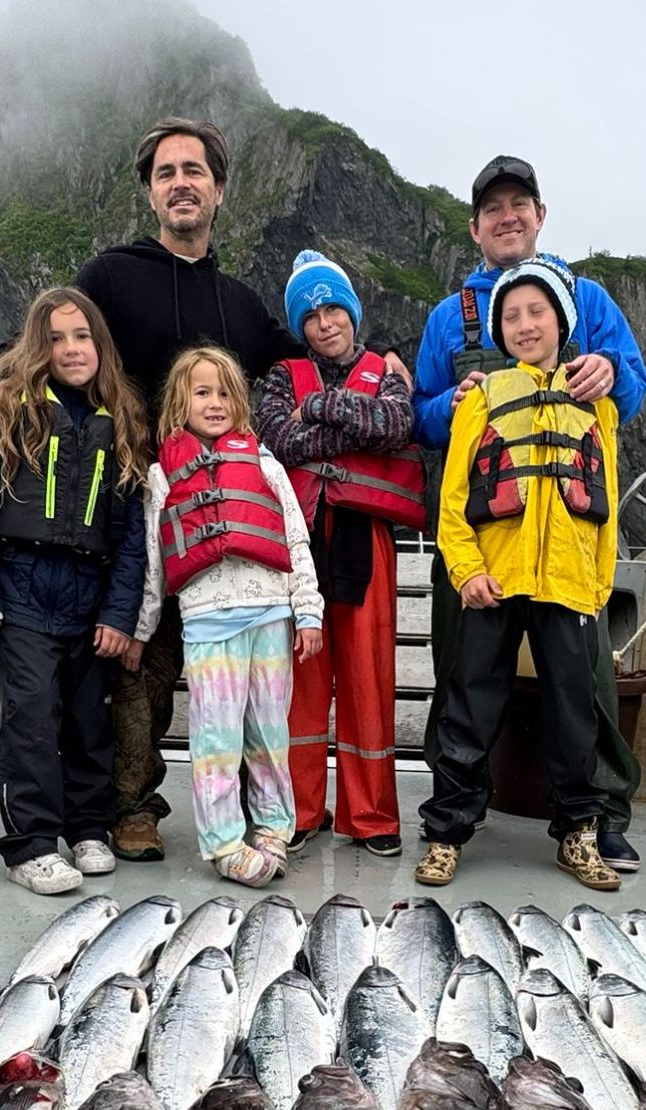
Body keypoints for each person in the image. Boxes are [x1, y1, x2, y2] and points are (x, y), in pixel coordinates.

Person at [0, 118, 304, 866]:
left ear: (218, 188)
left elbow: (303, 357)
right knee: (136, 668)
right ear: (151, 193)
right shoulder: (112, 277)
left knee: (232, 677)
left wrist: (392, 367)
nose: (181, 182)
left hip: (221, 524)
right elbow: (46, 337)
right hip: (134, 507)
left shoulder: (240, 303)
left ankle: (249, 814)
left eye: (194, 170)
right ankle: (130, 808)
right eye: (166, 172)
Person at [411, 155, 646, 873]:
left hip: (568, 553)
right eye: (493, 209)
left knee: (585, 691)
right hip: (483, 546)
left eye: (521, 204)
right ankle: (452, 814)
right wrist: (448, 407)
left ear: (540, 216)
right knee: (463, 677)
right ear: (476, 227)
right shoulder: (446, 317)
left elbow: (628, 393)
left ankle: (599, 816)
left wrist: (613, 373)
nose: (507, 216)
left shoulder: (592, 300)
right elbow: (420, 416)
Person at [0, 288, 149, 895]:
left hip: (91, 594)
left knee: (91, 718)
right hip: (23, 591)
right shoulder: (4, 410)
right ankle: (30, 844)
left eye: (82, 336)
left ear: (100, 344)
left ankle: (88, 827)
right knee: (31, 715)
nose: (71, 349)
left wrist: (120, 612)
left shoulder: (124, 424)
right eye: (56, 339)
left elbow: (133, 533)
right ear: (39, 347)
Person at [135, 346, 324, 887]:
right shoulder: (161, 476)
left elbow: (295, 539)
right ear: (180, 402)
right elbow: (155, 558)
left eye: (223, 392)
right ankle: (222, 843)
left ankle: (273, 830)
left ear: (238, 401)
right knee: (215, 740)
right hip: (207, 623)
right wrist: (144, 628)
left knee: (269, 734)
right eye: (201, 392)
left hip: (271, 616)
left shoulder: (266, 464)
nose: (214, 402)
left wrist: (307, 612)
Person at [254, 250, 421, 859]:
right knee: (298, 681)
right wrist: (355, 428)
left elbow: (398, 425)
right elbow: (278, 437)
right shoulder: (279, 376)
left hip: (365, 538)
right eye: (312, 314)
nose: (326, 323)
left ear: (351, 311)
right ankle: (300, 812)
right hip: (298, 542)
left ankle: (371, 816)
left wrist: (322, 408)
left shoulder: (389, 370)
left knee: (368, 678)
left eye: (334, 309)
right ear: (300, 325)